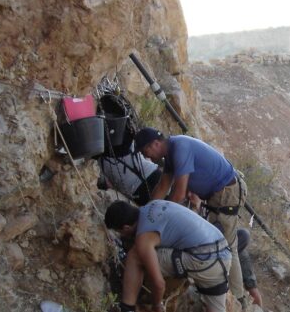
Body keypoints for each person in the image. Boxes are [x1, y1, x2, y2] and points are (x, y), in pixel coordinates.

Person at [134, 127, 249, 306]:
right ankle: (231, 292)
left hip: (227, 193)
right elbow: (163, 187)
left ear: (155, 144)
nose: (147, 157)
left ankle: (238, 298)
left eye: (145, 151)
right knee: (221, 244)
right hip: (217, 195)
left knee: (225, 247)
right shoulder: (171, 152)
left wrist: (157, 219)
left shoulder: (180, 148)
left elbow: (179, 194)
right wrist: (147, 212)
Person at [105, 200, 232, 312]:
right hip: (224, 255)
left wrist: (156, 305)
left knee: (135, 255)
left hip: (203, 260)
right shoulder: (155, 204)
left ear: (126, 227)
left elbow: (159, 284)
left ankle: (127, 307)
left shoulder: (143, 238)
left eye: (119, 232)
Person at [97, 143, 161, 206]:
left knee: (157, 208)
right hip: (150, 173)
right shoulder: (128, 141)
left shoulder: (98, 161)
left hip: (137, 189)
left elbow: (106, 183)